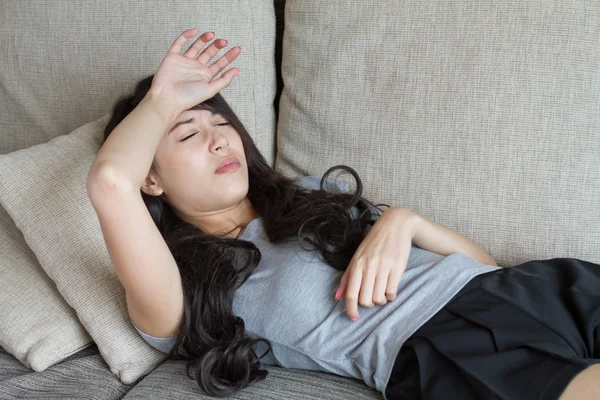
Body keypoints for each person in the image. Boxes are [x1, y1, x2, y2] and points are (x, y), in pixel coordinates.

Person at [86, 29, 600, 399]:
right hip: (445, 352)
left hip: (529, 290)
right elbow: (109, 183)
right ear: (149, 179)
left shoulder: (308, 195)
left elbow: (487, 269)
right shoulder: (184, 292)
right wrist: (159, 99)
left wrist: (404, 222)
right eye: (189, 132)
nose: (220, 137)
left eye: (220, 121)